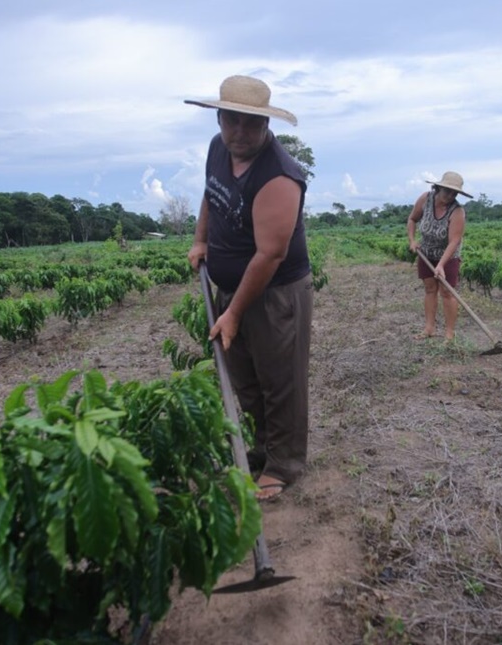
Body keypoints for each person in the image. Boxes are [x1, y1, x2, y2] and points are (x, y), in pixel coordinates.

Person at [185, 75, 312, 502]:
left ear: (265, 127)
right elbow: (211, 195)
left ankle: (284, 463)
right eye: (231, 121)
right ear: (219, 118)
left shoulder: (279, 175)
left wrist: (234, 313)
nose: (239, 132)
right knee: (245, 376)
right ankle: (260, 448)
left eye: (250, 124)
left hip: (276, 291)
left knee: (280, 378)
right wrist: (201, 239)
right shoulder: (218, 149)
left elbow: (269, 255)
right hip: (231, 286)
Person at [406, 171, 470, 341]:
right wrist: (412, 240)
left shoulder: (457, 212)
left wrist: (441, 264)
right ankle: (429, 328)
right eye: (447, 191)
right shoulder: (425, 199)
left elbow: (454, 241)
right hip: (425, 252)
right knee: (429, 289)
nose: (450, 196)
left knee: (447, 292)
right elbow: (412, 219)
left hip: (448, 255)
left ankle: (449, 334)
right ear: (438, 187)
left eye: (454, 193)